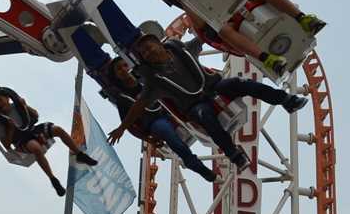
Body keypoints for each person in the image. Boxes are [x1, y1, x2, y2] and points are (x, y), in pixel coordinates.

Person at [108, 33, 307, 168]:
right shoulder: (154, 81)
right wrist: (122, 128)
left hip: (213, 85)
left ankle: (286, 100)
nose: (149, 53)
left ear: (158, 44)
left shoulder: (181, 49)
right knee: (206, 116)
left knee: (242, 83)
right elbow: (138, 106)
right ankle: (233, 154)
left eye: (149, 48)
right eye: (144, 54)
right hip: (195, 105)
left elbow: (205, 34)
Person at [164, 0, 327, 74]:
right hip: (223, 20)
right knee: (222, 29)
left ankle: (303, 19)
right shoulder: (197, 18)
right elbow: (206, 30)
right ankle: (266, 59)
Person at [99, 57, 215, 183]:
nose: (123, 70)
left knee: (201, 109)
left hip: (174, 107)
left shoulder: (146, 78)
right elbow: (131, 126)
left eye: (124, 65)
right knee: (169, 136)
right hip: (156, 120)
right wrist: (148, 139)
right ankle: (201, 169)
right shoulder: (123, 98)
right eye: (119, 69)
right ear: (116, 76)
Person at [0, 88, 98, 197]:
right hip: (21, 140)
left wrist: (25, 106)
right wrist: (11, 129)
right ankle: (53, 180)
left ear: (7, 98)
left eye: (0, 99)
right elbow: (6, 145)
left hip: (32, 129)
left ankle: (79, 154)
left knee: (58, 129)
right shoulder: (1, 120)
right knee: (36, 148)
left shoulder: (16, 106)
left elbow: (35, 115)